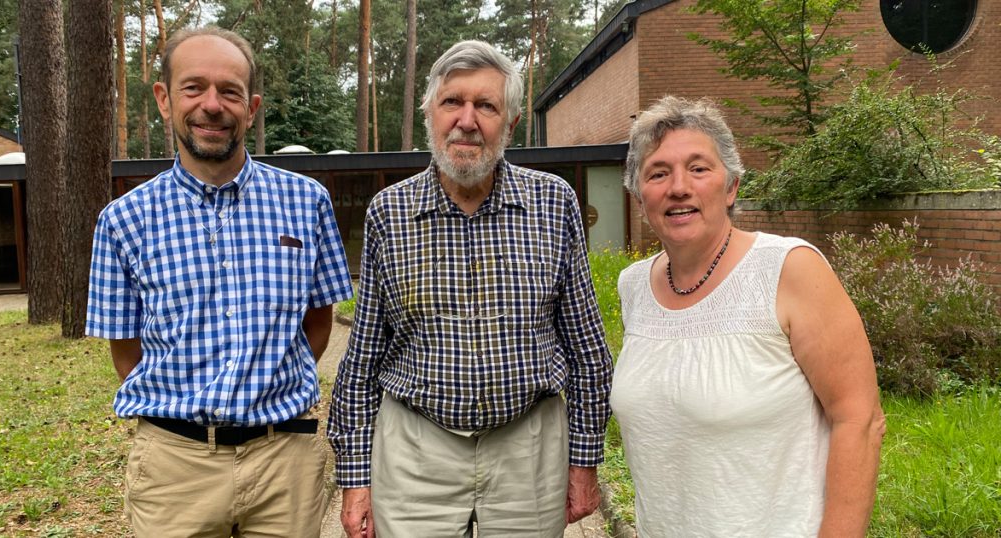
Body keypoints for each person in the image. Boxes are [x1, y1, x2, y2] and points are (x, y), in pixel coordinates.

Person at [326, 40, 613, 538]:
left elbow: (588, 349)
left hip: (529, 447)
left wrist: (584, 463)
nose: (467, 119)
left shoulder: (553, 204)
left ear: (511, 123)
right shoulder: (389, 214)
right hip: (416, 448)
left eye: (486, 105)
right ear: (430, 116)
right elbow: (363, 356)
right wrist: (355, 478)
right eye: (452, 102)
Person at [85, 26, 353, 537]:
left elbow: (319, 322)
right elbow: (126, 353)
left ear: (250, 109)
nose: (212, 105)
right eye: (194, 88)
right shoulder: (123, 221)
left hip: (285, 463)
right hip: (174, 467)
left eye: (230, 91)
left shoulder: (306, 203)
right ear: (164, 100)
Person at [610, 95, 886, 537]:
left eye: (699, 168)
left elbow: (860, 420)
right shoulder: (633, 286)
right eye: (658, 173)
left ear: (731, 186)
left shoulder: (788, 269)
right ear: (640, 199)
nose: (679, 187)